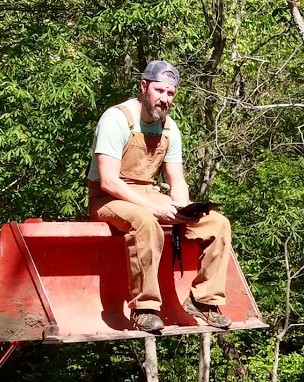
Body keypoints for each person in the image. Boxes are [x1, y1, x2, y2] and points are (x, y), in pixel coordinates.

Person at [86, 60, 233, 333]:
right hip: (109, 198)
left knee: (217, 223)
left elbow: (176, 181)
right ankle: (144, 308)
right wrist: (154, 209)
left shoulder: (169, 128)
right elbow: (108, 181)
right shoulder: (117, 119)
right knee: (145, 221)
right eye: (159, 91)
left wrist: (182, 209)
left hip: (149, 193)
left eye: (170, 93)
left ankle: (205, 300)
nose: (164, 99)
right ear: (144, 87)